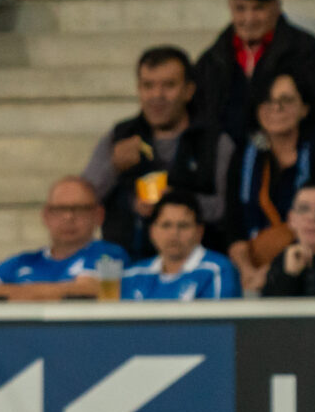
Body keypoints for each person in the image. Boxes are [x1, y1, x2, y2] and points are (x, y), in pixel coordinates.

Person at [82, 46, 234, 262]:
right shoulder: (119, 136)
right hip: (126, 265)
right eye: (148, 86)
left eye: (169, 85)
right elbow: (81, 201)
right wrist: (113, 166)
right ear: (138, 89)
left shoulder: (216, 141)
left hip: (195, 268)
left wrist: (176, 201)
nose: (157, 95)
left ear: (189, 90)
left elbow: (228, 208)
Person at [224, 70, 315, 296]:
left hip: (306, 262)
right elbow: (233, 225)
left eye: (286, 100)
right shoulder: (244, 154)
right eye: (267, 101)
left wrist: (272, 272)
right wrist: (247, 270)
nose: (276, 108)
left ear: (305, 108)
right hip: (249, 268)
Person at [194, 0, 315, 145]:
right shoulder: (213, 57)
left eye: (259, 8)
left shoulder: (305, 50)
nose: (249, 19)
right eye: (240, 9)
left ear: (277, 7)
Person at [0, 177, 128, 301]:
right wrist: (58, 292)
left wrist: (10, 292)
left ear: (98, 215)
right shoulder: (21, 261)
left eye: (79, 208)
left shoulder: (109, 253)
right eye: (60, 209)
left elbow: (88, 291)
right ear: (46, 216)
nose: (68, 217)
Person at [120, 190, 241, 301]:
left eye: (183, 226)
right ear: (152, 231)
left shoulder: (217, 270)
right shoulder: (132, 274)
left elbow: (219, 318)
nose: (174, 233)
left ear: (200, 231)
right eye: (166, 225)